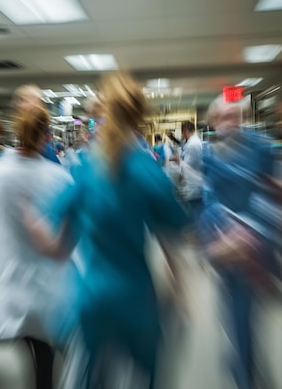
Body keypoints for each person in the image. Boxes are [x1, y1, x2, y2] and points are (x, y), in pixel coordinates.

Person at [30, 72, 188, 389]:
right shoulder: (147, 170)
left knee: (91, 378)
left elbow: (57, 248)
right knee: (148, 377)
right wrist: (181, 296)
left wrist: (22, 217)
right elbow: (174, 245)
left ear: (100, 119)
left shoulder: (85, 169)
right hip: (137, 299)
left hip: (92, 299)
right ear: (139, 117)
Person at [0, 105, 73, 389]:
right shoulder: (59, 177)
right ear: (47, 137)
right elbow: (73, 231)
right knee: (50, 347)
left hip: (11, 288)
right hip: (50, 285)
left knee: (34, 344)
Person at [200, 96, 276, 389]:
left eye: (236, 116)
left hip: (255, 243)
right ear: (215, 120)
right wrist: (220, 226)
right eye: (224, 117)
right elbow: (209, 197)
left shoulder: (261, 147)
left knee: (247, 309)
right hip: (223, 241)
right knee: (231, 304)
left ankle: (244, 368)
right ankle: (241, 358)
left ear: (244, 118)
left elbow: (267, 193)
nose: (230, 123)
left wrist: (250, 230)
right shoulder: (210, 152)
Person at [12, 84, 60, 164]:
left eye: (24, 100)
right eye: (19, 101)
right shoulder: (20, 128)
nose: (19, 105)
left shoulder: (41, 131)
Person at [171, 120, 204, 224]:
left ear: (185, 130)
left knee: (197, 208)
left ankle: (199, 231)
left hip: (194, 183)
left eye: (182, 131)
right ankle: (197, 230)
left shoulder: (192, 145)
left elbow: (189, 165)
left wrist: (178, 160)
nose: (182, 134)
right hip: (193, 182)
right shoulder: (191, 142)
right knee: (195, 207)